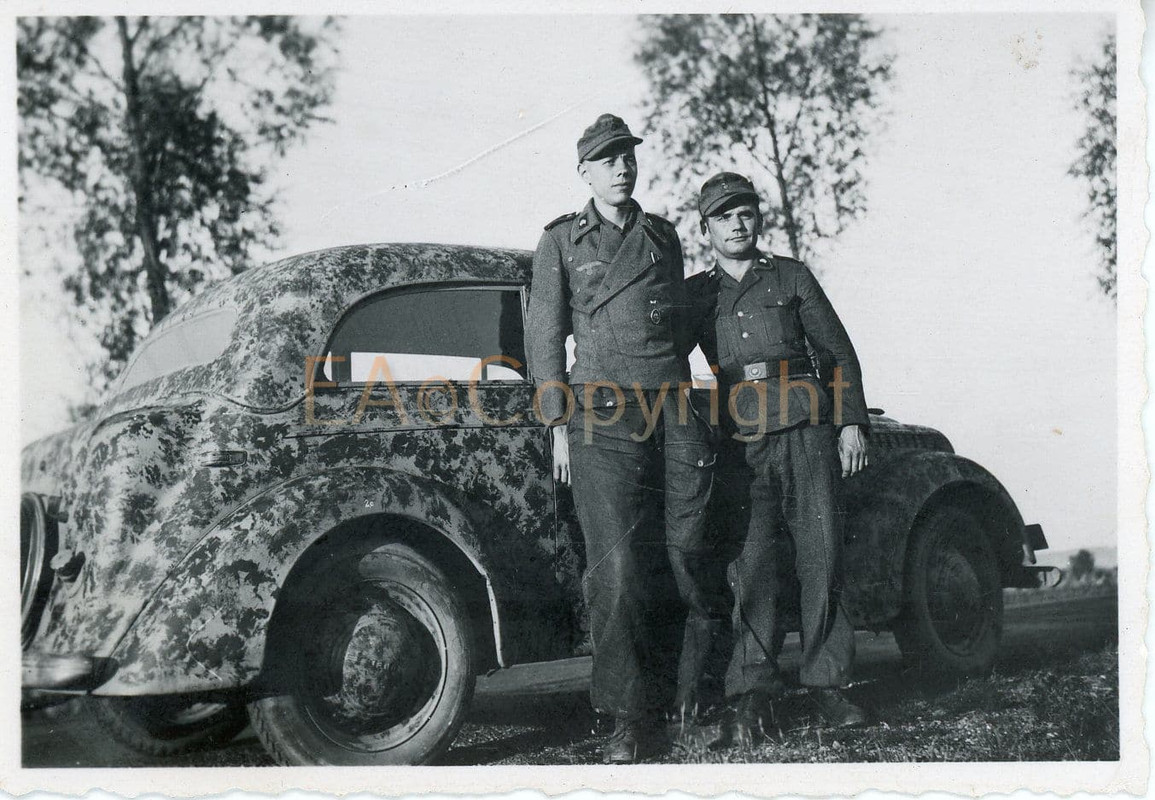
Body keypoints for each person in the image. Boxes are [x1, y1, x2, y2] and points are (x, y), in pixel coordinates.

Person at [525, 114, 721, 763]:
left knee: (686, 552)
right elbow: (544, 337)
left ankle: (692, 696)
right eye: (607, 159)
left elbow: (673, 326)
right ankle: (627, 716)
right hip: (600, 414)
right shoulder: (560, 240)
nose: (621, 167)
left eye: (627, 156)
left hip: (670, 404)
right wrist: (556, 424)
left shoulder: (662, 237)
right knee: (615, 568)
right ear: (584, 171)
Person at [687, 171, 871, 743]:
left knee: (821, 555)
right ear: (707, 229)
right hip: (741, 443)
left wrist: (850, 423)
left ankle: (830, 686)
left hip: (806, 430)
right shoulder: (697, 295)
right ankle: (750, 695)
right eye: (724, 216)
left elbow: (837, 352)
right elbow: (662, 357)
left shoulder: (790, 276)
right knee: (753, 567)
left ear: (756, 219)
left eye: (744, 212)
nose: (737, 224)